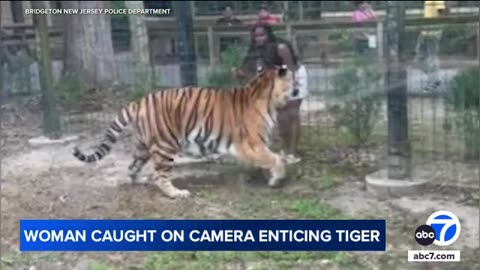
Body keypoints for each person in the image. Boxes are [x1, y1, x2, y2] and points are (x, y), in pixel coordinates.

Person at [232, 23, 308, 164]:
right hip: (276, 79)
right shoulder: (255, 51)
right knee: (281, 117)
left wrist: (285, 86)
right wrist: (241, 73)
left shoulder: (281, 48)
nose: (259, 38)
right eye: (256, 36)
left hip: (294, 76)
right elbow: (255, 73)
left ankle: (292, 152)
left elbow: (289, 68)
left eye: (262, 35)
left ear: (269, 34)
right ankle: (285, 150)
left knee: (291, 114)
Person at [415, 1, 447, 92]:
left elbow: (442, 12)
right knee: (418, 59)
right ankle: (435, 78)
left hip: (433, 33)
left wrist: (437, 28)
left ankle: (433, 82)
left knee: (432, 57)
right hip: (424, 32)